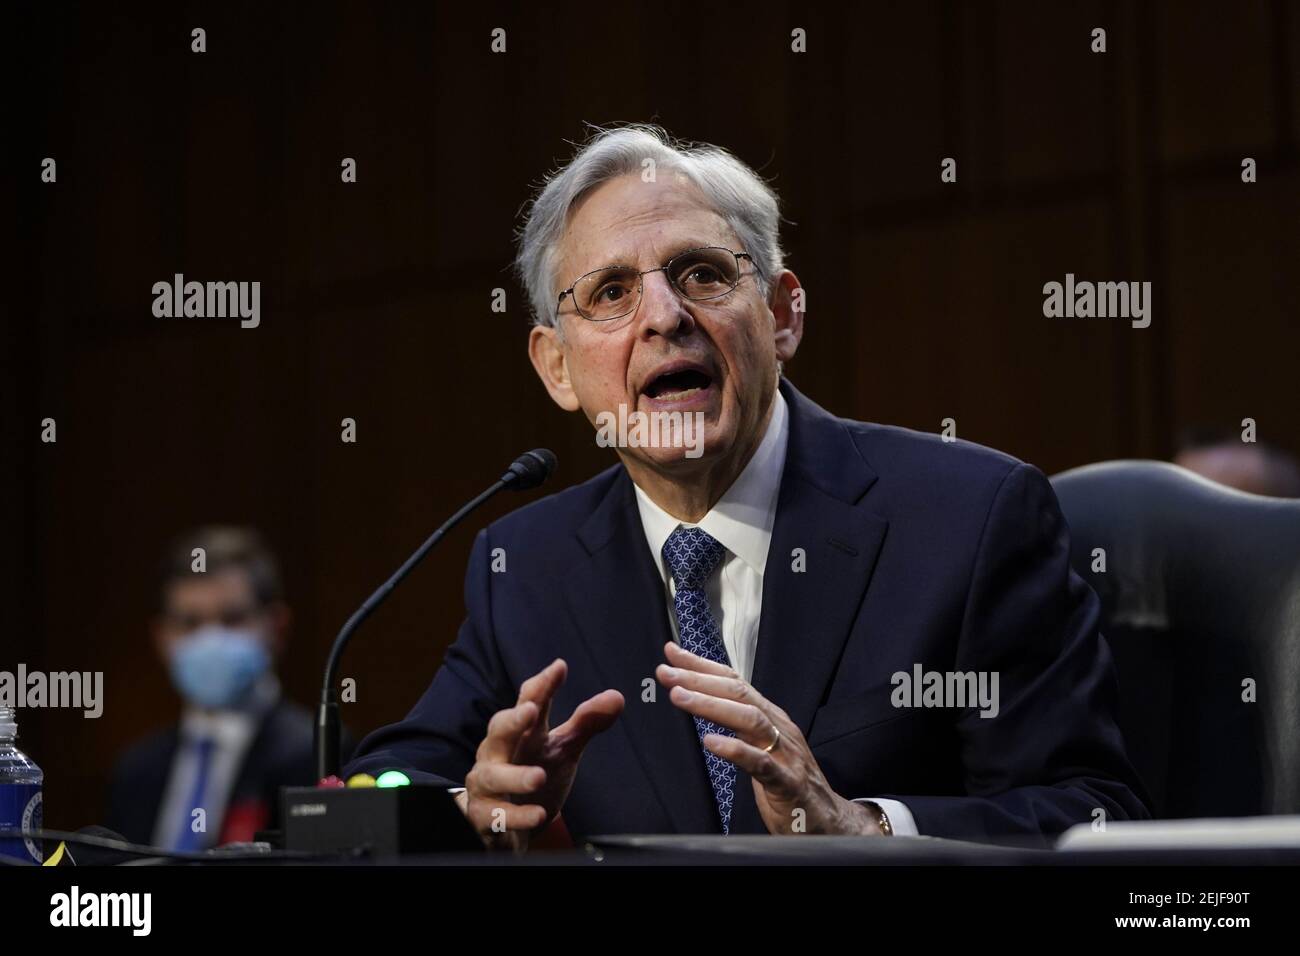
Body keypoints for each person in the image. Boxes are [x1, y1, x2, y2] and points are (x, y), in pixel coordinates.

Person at [344, 124, 1149, 850]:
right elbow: (382, 782)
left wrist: (860, 826)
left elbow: (1091, 814)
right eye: (611, 292)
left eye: (700, 273)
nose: (662, 315)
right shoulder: (527, 561)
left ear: (782, 316)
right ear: (557, 367)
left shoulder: (968, 520)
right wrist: (473, 803)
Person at [105, 526, 341, 849]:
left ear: (277, 627)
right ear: (161, 637)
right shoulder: (136, 771)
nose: (210, 639)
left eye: (232, 619)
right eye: (190, 622)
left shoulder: (319, 752)